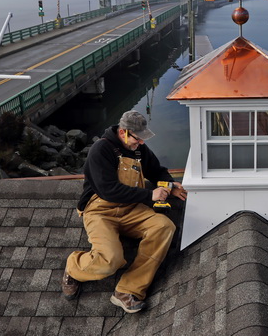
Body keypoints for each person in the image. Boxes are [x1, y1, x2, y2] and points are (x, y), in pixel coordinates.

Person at [62, 110, 187, 313]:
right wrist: (150, 196)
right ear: (123, 132)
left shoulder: (138, 150)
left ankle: (128, 290)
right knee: (110, 260)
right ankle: (73, 266)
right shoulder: (100, 150)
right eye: (138, 139)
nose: (141, 143)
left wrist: (171, 185)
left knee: (164, 227)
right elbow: (108, 190)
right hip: (100, 210)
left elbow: (156, 170)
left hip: (131, 209)